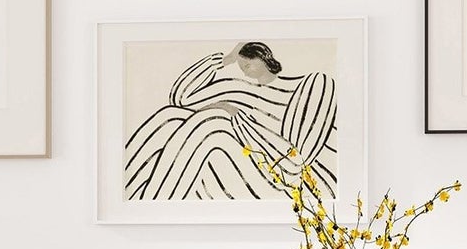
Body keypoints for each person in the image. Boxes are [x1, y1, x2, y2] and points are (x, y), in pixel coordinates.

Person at [124, 40, 338, 204]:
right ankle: (130, 201)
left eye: (248, 61)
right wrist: (226, 59)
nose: (244, 68)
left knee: (213, 124)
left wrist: (236, 120)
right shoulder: (241, 89)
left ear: (264, 57)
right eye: (241, 64)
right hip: (244, 169)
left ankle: (156, 209)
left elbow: (295, 162)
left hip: (295, 187)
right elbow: (180, 98)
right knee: (170, 118)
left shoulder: (313, 85)